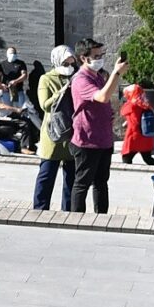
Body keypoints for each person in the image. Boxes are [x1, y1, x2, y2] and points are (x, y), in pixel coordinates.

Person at [67, 42, 123, 214]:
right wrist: (117, 73)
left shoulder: (97, 76)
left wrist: (109, 114)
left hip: (103, 139)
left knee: (101, 182)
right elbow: (103, 97)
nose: (100, 59)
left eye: (101, 55)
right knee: (82, 183)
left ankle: (101, 218)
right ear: (84, 58)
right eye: (96, 56)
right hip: (87, 141)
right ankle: (77, 220)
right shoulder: (81, 79)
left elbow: (104, 101)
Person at [31, 45, 77, 211]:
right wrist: (62, 92)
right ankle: (40, 208)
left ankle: (69, 209)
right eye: (66, 63)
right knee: (47, 173)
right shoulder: (46, 79)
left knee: (71, 176)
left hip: (72, 132)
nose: (70, 66)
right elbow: (45, 105)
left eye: (72, 63)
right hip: (54, 132)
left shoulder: (76, 77)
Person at [118, 82, 153, 163]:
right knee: (148, 158)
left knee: (126, 157)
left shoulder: (131, 105)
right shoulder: (145, 103)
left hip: (134, 135)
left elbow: (123, 112)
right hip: (145, 135)